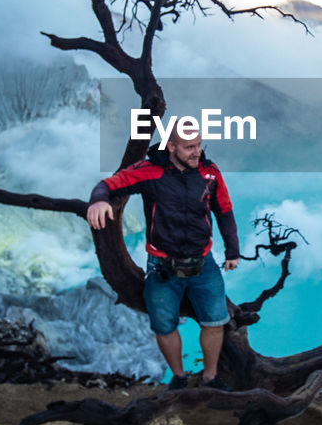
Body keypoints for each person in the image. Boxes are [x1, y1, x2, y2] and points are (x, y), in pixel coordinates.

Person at [85, 124, 239, 390]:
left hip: (203, 262)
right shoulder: (149, 171)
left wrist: (232, 250)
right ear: (171, 147)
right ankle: (179, 377)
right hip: (162, 266)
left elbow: (224, 210)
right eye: (190, 147)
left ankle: (210, 378)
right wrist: (98, 201)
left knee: (215, 322)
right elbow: (109, 184)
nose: (197, 152)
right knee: (164, 326)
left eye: (199, 145)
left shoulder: (209, 173)